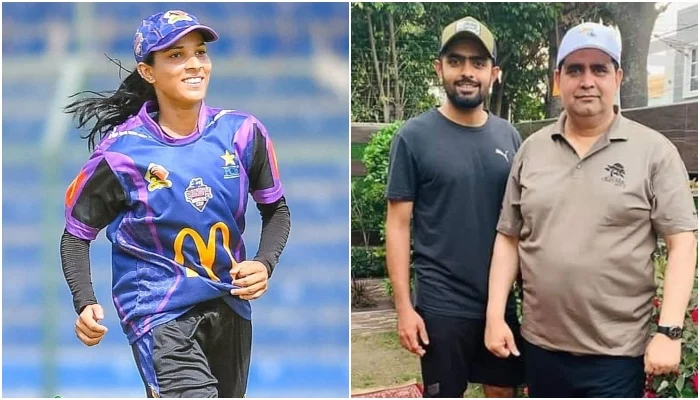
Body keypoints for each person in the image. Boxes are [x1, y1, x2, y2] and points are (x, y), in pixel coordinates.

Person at [61, 10, 291, 398]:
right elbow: (75, 236)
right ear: (147, 72)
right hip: (157, 313)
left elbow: (277, 210)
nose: (194, 65)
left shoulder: (244, 133)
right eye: (175, 55)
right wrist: (85, 302)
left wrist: (264, 262)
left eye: (200, 53)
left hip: (229, 306)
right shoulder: (120, 154)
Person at [485, 22, 697, 398]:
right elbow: (509, 238)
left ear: (617, 77)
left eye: (599, 69)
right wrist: (495, 316)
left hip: (614, 356)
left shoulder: (654, 152)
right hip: (540, 347)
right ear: (557, 80)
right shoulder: (532, 151)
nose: (586, 80)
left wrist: (669, 332)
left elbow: (682, 243)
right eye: (575, 69)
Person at [385, 16, 525, 398]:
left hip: (498, 302)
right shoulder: (413, 137)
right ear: (439, 68)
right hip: (440, 305)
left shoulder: (509, 136)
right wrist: (404, 308)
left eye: (478, 63)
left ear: (493, 72)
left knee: (503, 391)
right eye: (456, 61)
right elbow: (398, 225)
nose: (467, 72)